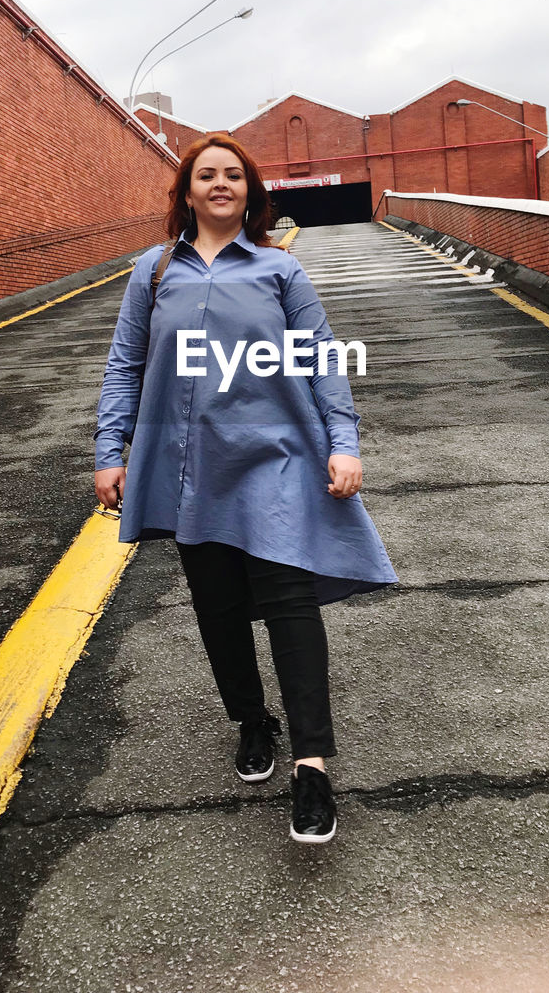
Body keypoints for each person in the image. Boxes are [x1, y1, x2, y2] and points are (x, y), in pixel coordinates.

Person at [94, 133, 397, 844]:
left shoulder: (278, 269)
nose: (221, 184)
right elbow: (124, 364)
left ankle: (312, 765)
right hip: (190, 468)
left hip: (277, 459)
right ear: (188, 191)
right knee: (219, 607)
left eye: (234, 174)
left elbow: (323, 359)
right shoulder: (154, 270)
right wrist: (111, 451)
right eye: (208, 175)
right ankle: (251, 719)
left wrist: (344, 444)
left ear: (250, 192)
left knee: (290, 602)